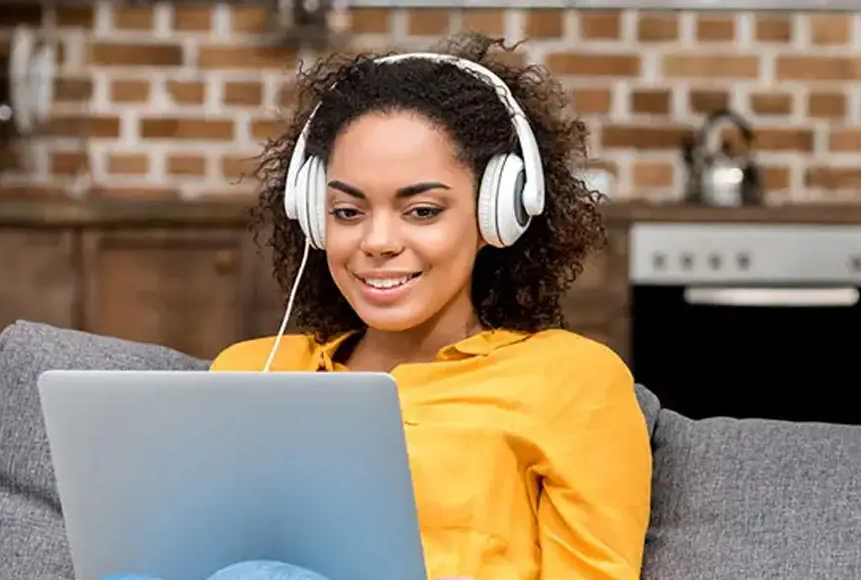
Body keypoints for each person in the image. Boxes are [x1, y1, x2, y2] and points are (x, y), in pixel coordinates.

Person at [109, 32, 652, 580]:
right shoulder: (254, 371)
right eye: (348, 212)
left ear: (497, 215)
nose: (377, 241)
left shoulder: (571, 380)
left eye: (421, 211)